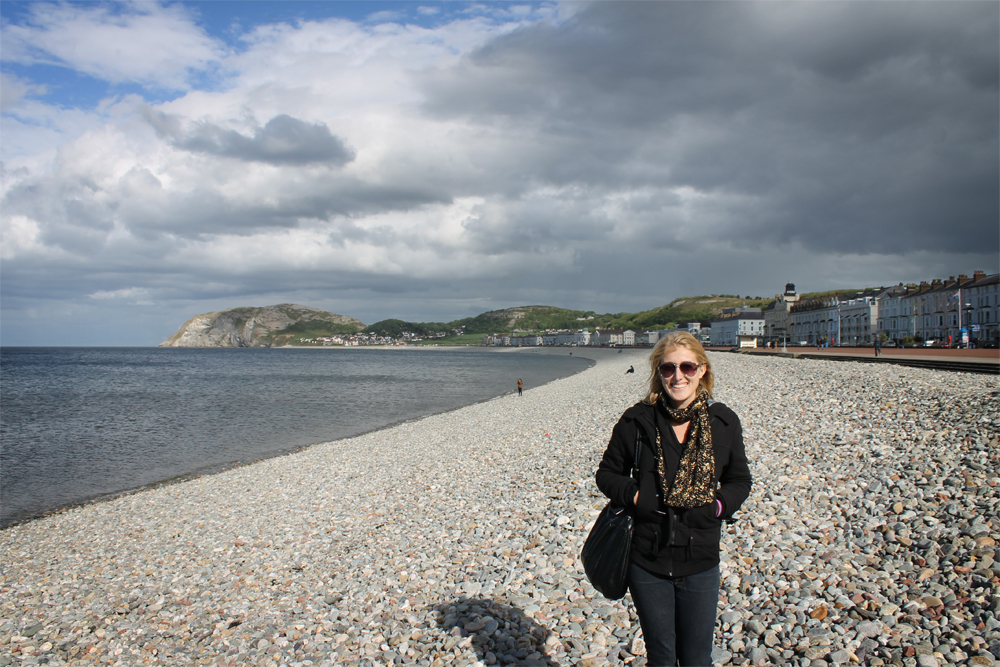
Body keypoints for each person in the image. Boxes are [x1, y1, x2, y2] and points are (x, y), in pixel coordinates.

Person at [596, 331, 752, 666]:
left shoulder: (723, 422)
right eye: (668, 369)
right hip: (647, 560)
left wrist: (718, 506)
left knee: (697, 659)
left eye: (687, 367)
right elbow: (607, 474)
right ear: (658, 373)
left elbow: (739, 480)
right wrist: (637, 495)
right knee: (662, 657)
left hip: (700, 560)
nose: (677, 376)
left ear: (702, 370)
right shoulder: (635, 421)